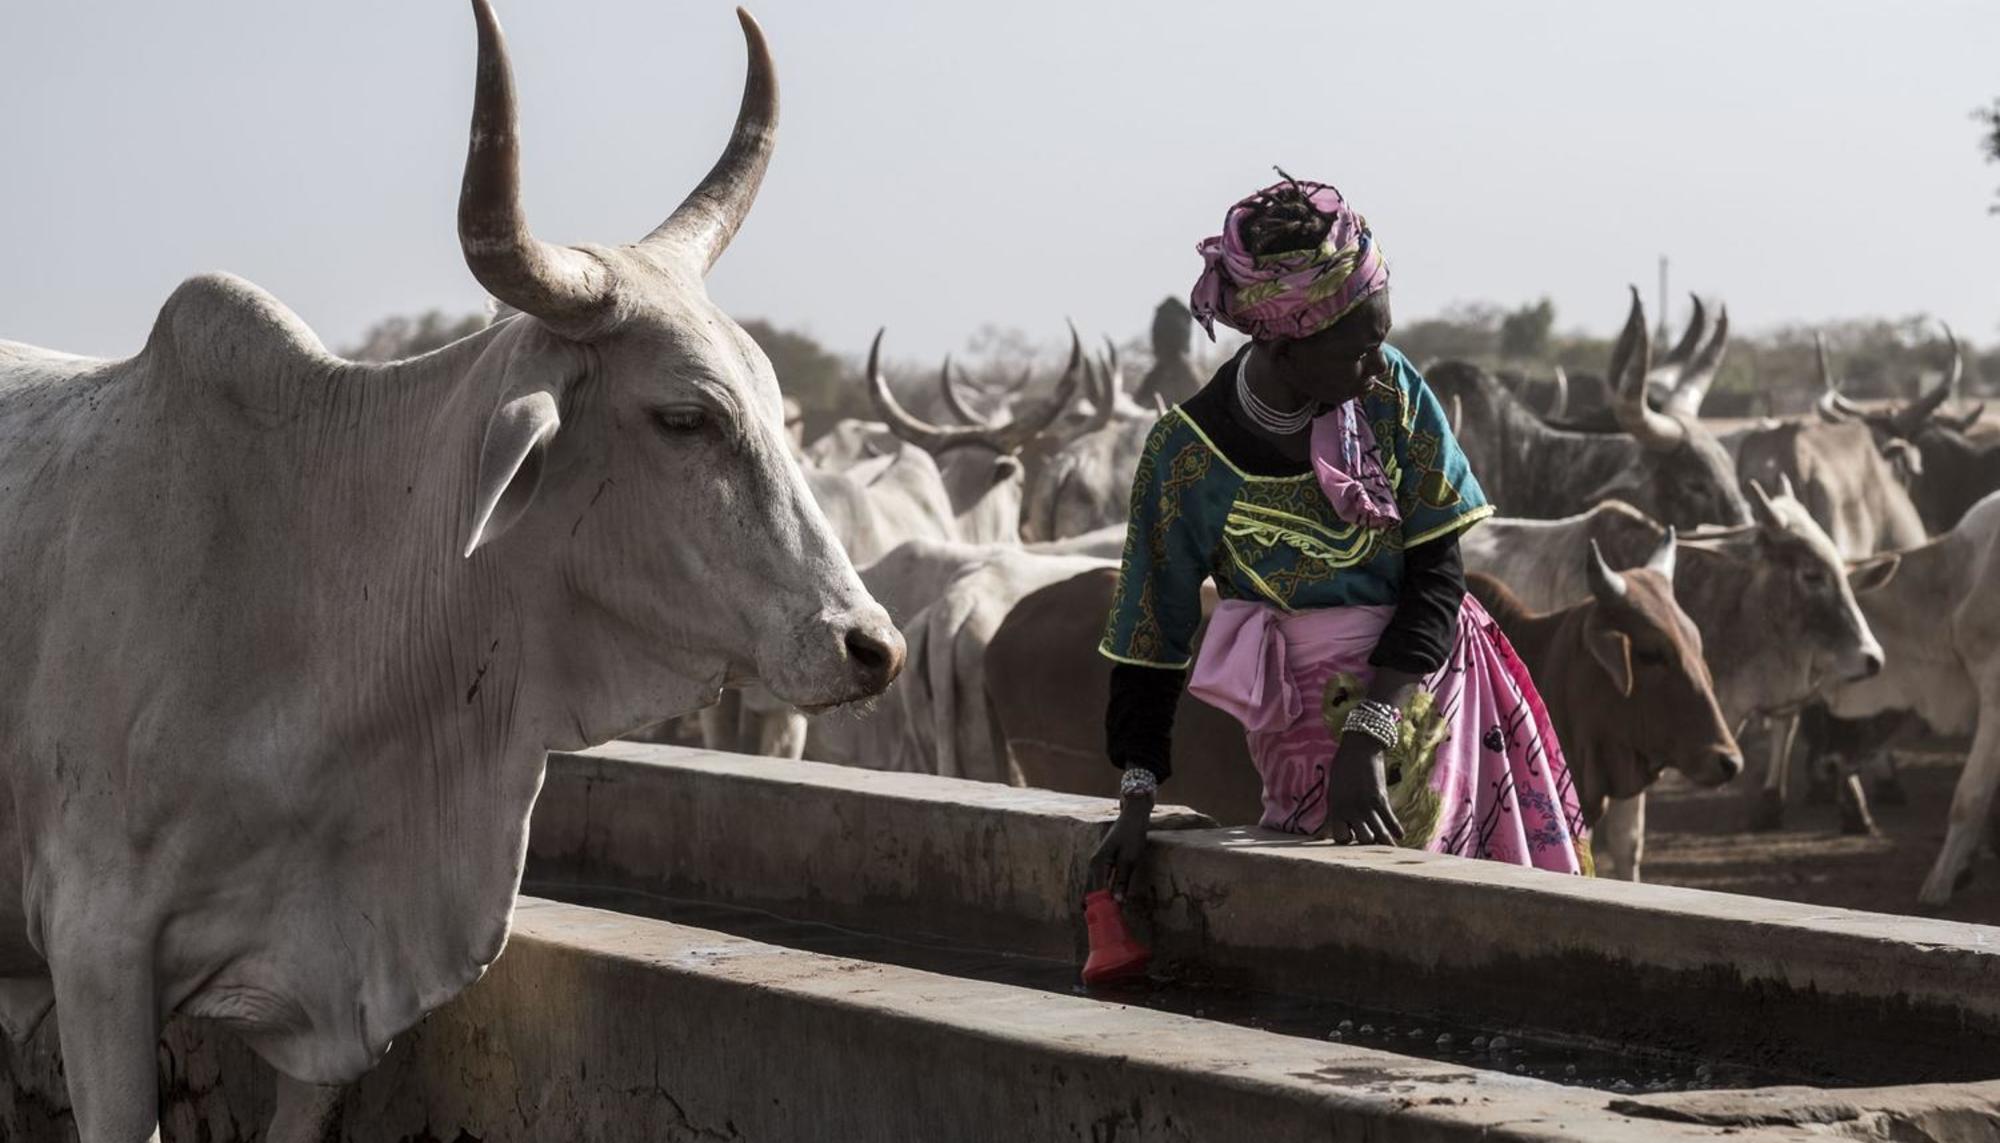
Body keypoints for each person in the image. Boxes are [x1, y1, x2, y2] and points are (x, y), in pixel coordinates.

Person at [1090, 173, 1589, 899]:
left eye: (1382, 337)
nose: (1378, 364)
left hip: (1427, 694)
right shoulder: (1185, 455)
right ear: (1285, 346)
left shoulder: (1391, 396)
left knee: (1458, 901)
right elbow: (1149, 636)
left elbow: (1438, 573)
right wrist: (1136, 800)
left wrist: (1373, 726)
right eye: (1358, 348)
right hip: (1295, 722)